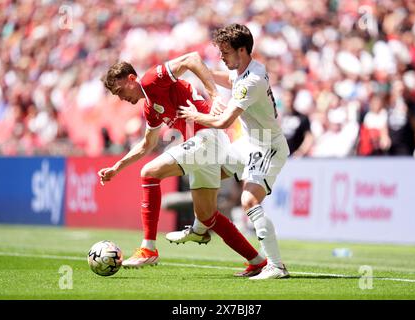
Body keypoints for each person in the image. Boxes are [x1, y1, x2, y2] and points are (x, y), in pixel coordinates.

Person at [98, 53, 267, 276]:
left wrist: (215, 94)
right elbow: (147, 144)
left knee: (149, 173)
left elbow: (192, 59)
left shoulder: (151, 80)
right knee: (207, 216)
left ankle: (148, 249)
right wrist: (116, 167)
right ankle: (257, 261)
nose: (121, 98)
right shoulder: (150, 107)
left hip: (207, 138)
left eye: (120, 91)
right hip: (204, 145)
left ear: (131, 79)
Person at [167, 24, 290, 280]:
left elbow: (223, 121)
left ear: (242, 50)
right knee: (207, 167)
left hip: (267, 145)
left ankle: (276, 266)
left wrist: (195, 115)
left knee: (249, 201)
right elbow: (219, 76)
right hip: (249, 142)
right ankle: (200, 227)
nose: (222, 57)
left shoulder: (252, 81)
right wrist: (191, 69)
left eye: (226, 52)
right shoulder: (246, 71)